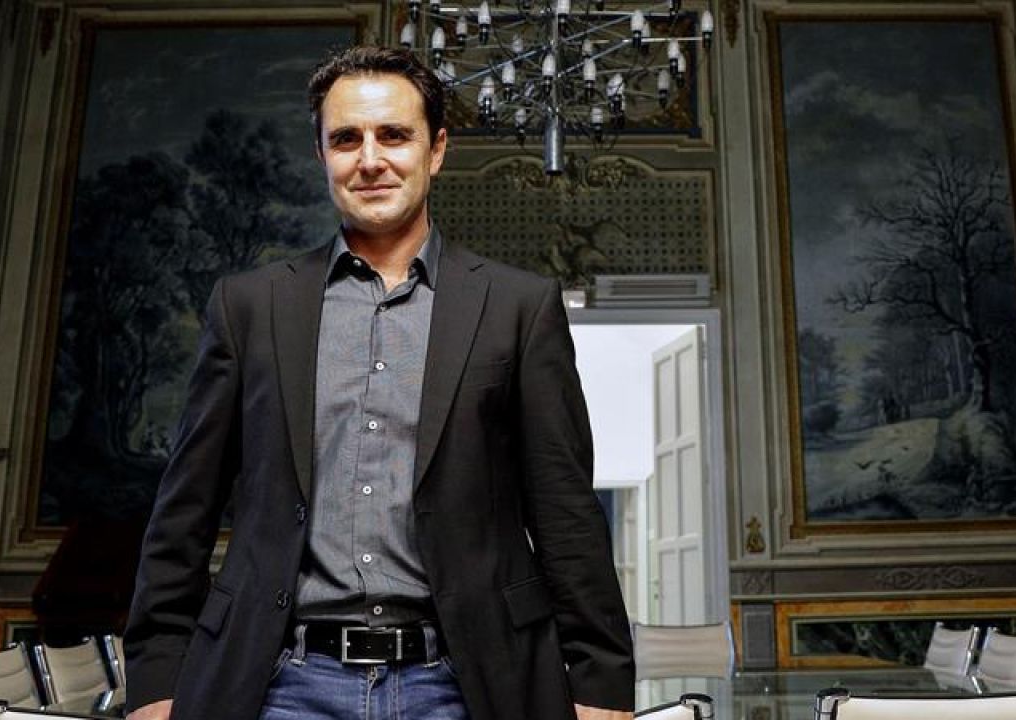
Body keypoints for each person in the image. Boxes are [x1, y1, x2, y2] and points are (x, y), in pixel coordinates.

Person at [123, 45, 634, 720]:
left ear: (436, 149)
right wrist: (156, 683)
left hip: (465, 684)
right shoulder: (249, 307)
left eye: (394, 135)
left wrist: (600, 685)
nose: (370, 160)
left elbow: (566, 515)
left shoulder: (519, 307)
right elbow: (182, 513)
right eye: (346, 139)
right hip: (281, 685)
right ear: (322, 154)